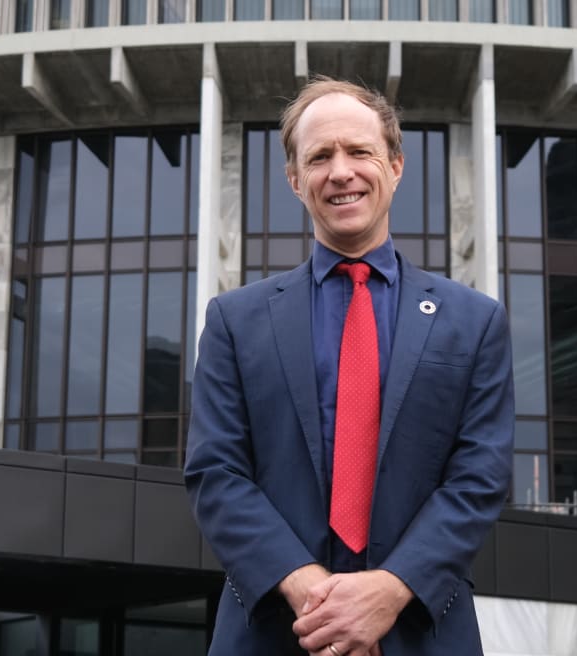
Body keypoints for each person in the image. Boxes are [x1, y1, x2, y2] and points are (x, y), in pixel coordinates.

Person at [184, 76, 514, 656]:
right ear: (294, 179)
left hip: (419, 633)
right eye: (319, 157)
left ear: (395, 165)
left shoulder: (475, 321)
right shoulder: (235, 321)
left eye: (359, 152)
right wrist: (313, 595)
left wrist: (387, 592)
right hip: (273, 632)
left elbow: (479, 478)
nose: (341, 172)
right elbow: (217, 474)